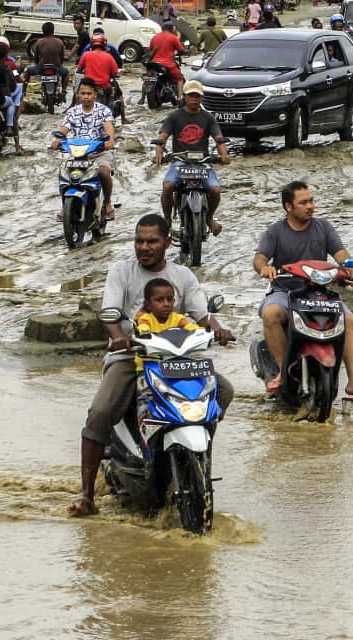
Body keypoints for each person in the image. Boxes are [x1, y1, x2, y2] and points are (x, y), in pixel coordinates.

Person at [68, 214, 235, 516]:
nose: (144, 247)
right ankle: (87, 494)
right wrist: (118, 337)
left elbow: (201, 315)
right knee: (101, 413)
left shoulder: (183, 275)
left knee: (223, 390)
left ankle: (196, 454)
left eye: (151, 241)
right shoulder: (122, 271)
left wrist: (218, 329)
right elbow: (109, 311)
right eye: (139, 241)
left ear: (167, 242)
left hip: (179, 360)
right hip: (131, 358)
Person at [253, 181, 353, 405]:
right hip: (286, 292)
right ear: (288, 207)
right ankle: (282, 371)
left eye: (311, 201)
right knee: (270, 314)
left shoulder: (324, 228)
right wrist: (264, 268)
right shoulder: (275, 231)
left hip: (320, 293)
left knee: (350, 321)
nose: (310, 206)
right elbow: (260, 257)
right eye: (304, 202)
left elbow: (342, 256)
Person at [153, 80, 230, 236]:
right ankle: (167, 219)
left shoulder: (208, 118)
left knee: (215, 189)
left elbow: (219, 138)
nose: (194, 99)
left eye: (197, 96)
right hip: (180, 161)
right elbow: (162, 137)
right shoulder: (174, 116)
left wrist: (224, 155)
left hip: (203, 163)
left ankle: (209, 218)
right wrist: (158, 154)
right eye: (191, 96)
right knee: (168, 186)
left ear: (201, 98)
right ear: (184, 96)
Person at [54, 78, 117, 222]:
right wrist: (57, 140)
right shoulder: (72, 112)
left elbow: (109, 129)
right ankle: (65, 205)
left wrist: (109, 141)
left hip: (99, 152)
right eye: (83, 93)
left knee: (104, 172)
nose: (86, 96)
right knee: (63, 174)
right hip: (77, 153)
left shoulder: (103, 111)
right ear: (77, 94)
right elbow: (63, 129)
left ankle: (107, 203)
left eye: (89, 93)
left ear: (95, 94)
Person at [24, 21, 69, 98]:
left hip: (42, 67)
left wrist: (38, 65)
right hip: (56, 67)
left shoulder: (39, 42)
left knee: (27, 71)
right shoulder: (60, 42)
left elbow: (36, 57)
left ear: (43, 31)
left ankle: (23, 91)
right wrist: (59, 65)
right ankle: (64, 91)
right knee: (66, 73)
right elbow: (61, 57)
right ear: (53, 30)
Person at [148, 20, 186, 100]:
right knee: (180, 79)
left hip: (154, 63)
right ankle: (180, 98)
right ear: (172, 29)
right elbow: (181, 50)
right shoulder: (173, 37)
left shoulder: (155, 37)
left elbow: (150, 50)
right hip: (168, 64)